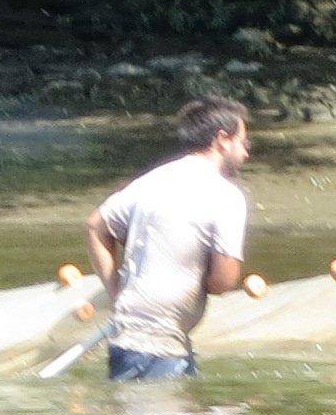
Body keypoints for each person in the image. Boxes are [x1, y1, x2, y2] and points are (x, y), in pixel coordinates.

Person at [87, 98, 253, 379]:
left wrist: (115, 288)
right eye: (243, 143)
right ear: (222, 140)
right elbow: (224, 281)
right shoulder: (224, 196)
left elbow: (94, 226)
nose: (246, 153)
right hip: (156, 345)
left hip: (138, 338)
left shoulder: (150, 182)